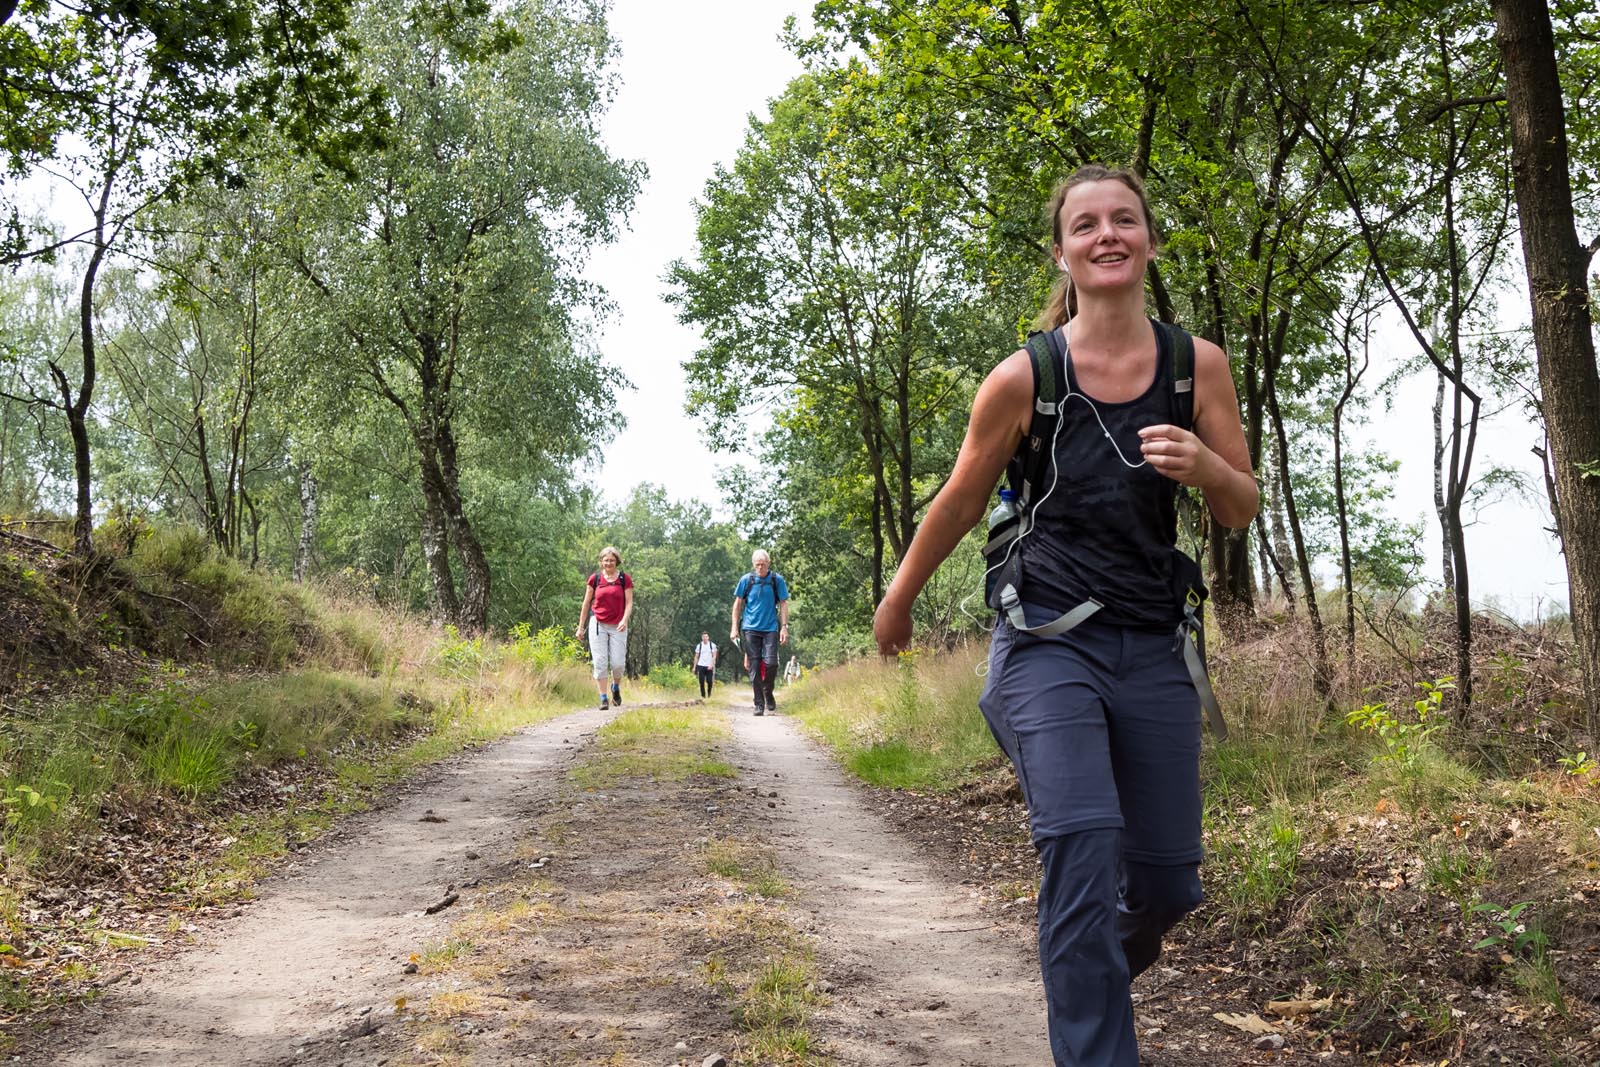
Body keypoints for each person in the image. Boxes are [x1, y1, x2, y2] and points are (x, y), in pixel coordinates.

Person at [872, 164, 1258, 1067]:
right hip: (1047, 641)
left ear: (1150, 241)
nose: (1108, 235)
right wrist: (899, 600)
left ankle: (1083, 967)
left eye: (1125, 220)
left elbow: (1240, 505)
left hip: (1154, 645)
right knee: (1081, 847)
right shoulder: (1024, 377)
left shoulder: (1195, 365)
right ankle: (1093, 1033)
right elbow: (961, 500)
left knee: (1165, 879)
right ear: (1063, 251)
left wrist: (1205, 465)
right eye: (1087, 225)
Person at [730, 549, 790, 716]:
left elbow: (784, 603)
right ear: (753, 565)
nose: (760, 568)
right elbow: (737, 604)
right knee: (754, 665)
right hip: (750, 628)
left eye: (763, 565)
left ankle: (767, 691)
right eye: (757, 565)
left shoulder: (776, 580)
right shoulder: (746, 580)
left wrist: (784, 626)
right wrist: (734, 627)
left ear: (768, 564)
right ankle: (759, 704)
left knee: (772, 663)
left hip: (771, 627)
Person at [575, 546, 633, 710]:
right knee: (600, 662)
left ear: (617, 562)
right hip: (598, 624)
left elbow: (629, 603)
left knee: (617, 663)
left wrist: (624, 619)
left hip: (618, 626)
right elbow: (586, 604)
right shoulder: (595, 579)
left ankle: (615, 687)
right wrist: (580, 627)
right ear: (601, 562)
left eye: (612, 560)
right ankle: (603, 697)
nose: (609, 563)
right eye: (606, 560)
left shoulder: (624, 579)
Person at [691, 631, 719, 698]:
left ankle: (709, 694)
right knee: (701, 682)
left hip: (709, 666)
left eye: (706, 637)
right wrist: (694, 667)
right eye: (703, 637)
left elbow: (714, 656)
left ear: (708, 637)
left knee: (709, 681)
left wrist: (711, 664)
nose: (705, 638)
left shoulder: (712, 645)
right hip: (701, 665)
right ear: (702, 638)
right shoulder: (699, 646)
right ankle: (703, 696)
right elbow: (696, 656)